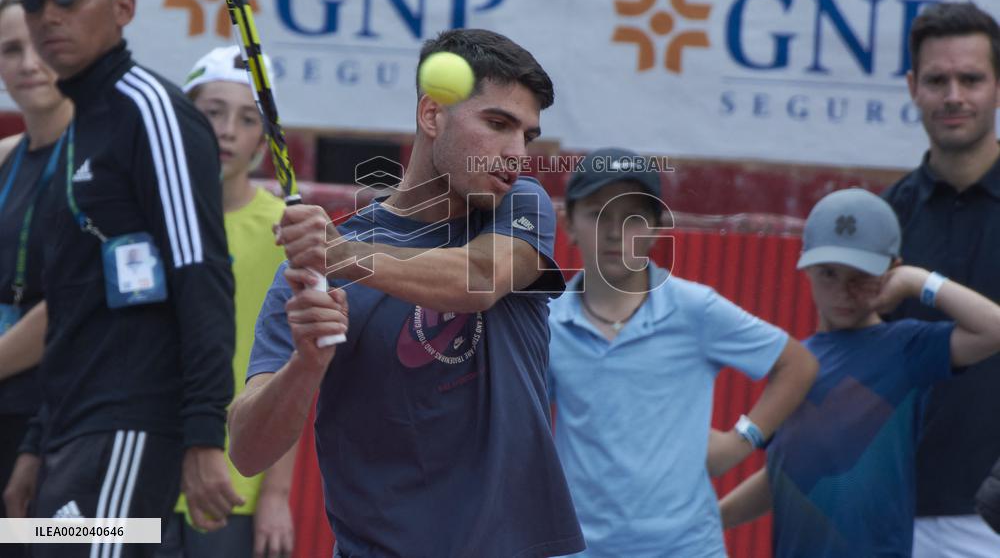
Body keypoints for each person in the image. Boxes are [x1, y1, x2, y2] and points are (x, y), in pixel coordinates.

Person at [228, 28, 585, 557]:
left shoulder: (521, 207)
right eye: (497, 124)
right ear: (432, 114)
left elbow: (479, 279)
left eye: (527, 136)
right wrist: (304, 365)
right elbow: (248, 450)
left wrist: (345, 257)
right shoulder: (315, 272)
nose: (516, 155)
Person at [1, 0, 239, 555]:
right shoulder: (83, 126)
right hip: (72, 434)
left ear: (123, 9)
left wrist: (203, 437)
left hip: (132, 426)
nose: (48, 14)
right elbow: (78, 306)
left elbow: (202, 274)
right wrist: (36, 444)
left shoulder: (151, 109)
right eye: (34, 1)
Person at [546, 147, 817, 557]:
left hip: (686, 547)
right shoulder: (545, 325)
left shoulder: (694, 309)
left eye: (632, 216)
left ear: (656, 228)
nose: (615, 230)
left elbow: (796, 363)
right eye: (597, 212)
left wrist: (741, 440)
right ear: (569, 225)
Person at [719, 188, 1000, 556]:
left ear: (891, 271)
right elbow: (784, 476)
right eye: (829, 274)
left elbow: (993, 329)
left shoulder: (905, 348)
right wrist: (711, 516)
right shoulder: (791, 365)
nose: (843, 291)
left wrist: (919, 282)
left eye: (861, 276)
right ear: (804, 268)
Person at [157, 46, 295, 557]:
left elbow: (295, 368)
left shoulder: (285, 229)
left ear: (265, 137)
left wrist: (277, 493)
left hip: (232, 489)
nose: (227, 131)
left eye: (246, 118)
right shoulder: (140, 215)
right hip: (137, 480)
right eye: (211, 112)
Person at [881, 1, 1000, 556]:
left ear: (998, 85)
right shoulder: (886, 219)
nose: (954, 95)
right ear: (912, 86)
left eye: (971, 79)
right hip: (894, 512)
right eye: (937, 79)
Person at [0, 0, 72, 558]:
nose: (27, 62)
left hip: (64, 415)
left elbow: (79, 296)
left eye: (39, 46)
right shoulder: (4, 156)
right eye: (10, 49)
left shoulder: (106, 159)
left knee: (65, 543)